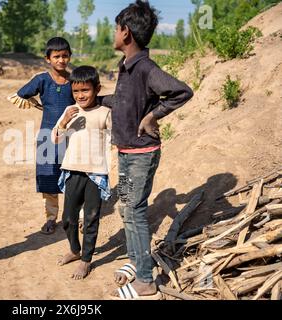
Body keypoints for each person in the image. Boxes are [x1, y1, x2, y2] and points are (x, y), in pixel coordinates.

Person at [101, 1, 193, 299]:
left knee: (136, 210)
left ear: (125, 32)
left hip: (141, 155)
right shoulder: (126, 67)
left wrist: (153, 116)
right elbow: (123, 101)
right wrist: (92, 101)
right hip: (126, 153)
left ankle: (145, 280)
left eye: (116, 29)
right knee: (126, 207)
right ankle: (136, 259)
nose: (113, 33)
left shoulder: (145, 68)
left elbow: (182, 91)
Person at [52, 66, 111, 280]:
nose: (80, 96)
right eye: (76, 92)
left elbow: (115, 140)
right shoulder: (71, 111)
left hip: (95, 173)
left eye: (85, 90)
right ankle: (74, 250)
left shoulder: (104, 113)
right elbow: (55, 138)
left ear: (97, 89)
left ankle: (86, 259)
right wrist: (65, 121)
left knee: (91, 219)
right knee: (68, 218)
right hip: (72, 171)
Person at [12, 37, 75, 235]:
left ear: (69, 57)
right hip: (47, 136)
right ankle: (51, 217)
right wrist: (40, 105)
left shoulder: (74, 80)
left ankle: (76, 216)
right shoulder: (41, 79)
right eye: (56, 56)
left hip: (72, 136)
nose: (61, 60)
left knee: (75, 176)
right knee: (49, 177)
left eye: (65, 56)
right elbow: (21, 93)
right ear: (48, 58)